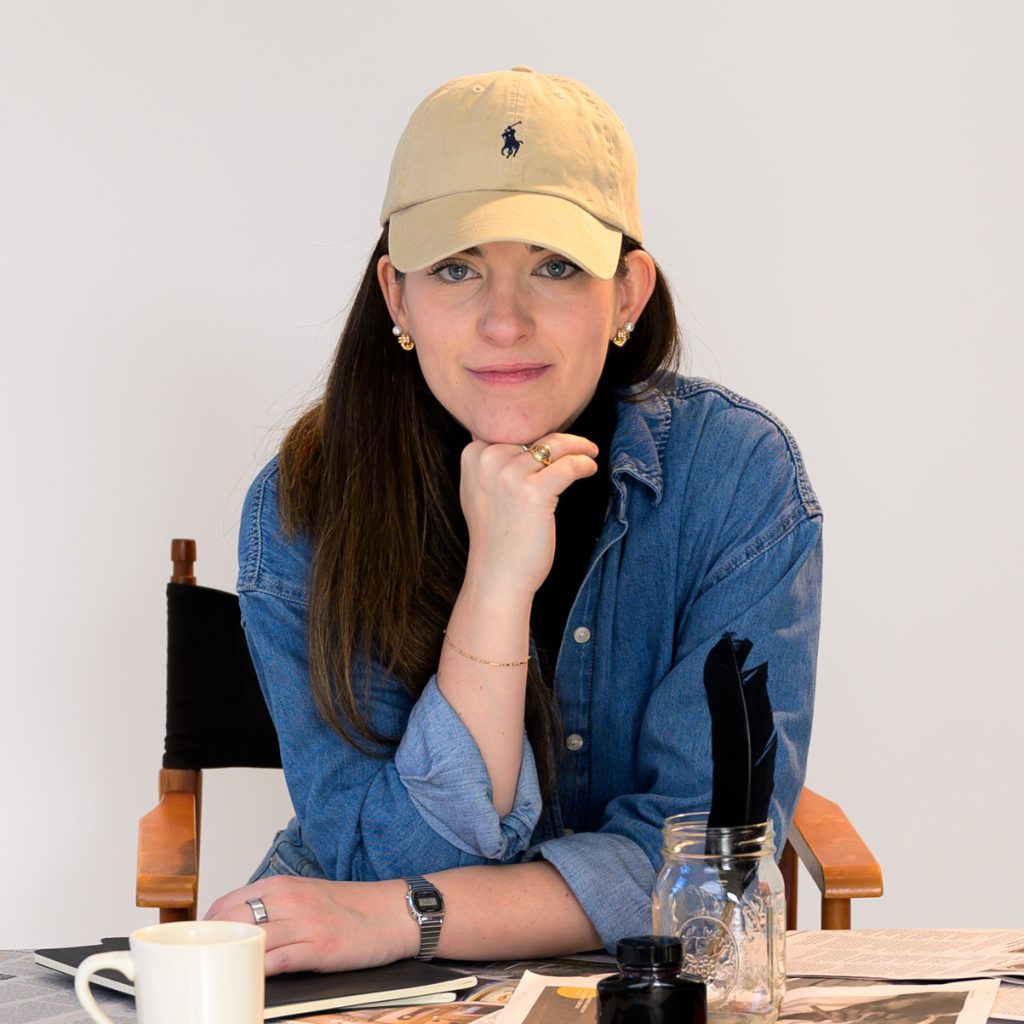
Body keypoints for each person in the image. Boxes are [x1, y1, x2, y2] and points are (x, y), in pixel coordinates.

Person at [205, 66, 821, 974]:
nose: (504, 321)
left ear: (626, 294)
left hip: (617, 979)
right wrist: (495, 584)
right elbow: (373, 858)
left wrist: (404, 916)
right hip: (370, 986)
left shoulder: (734, 478)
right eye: (457, 268)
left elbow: (703, 860)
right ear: (397, 297)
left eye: (556, 267)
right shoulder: (305, 505)